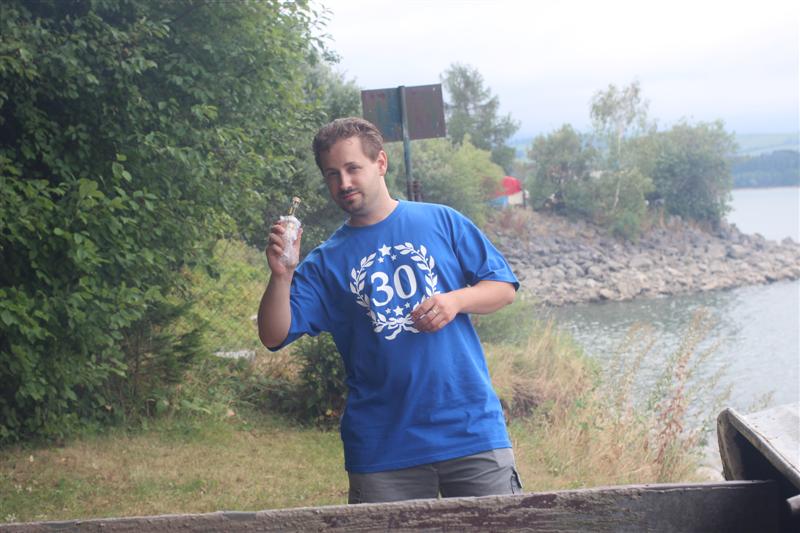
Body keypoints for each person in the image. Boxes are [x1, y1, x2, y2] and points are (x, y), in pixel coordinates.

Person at [258, 117, 522, 503]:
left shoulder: (442, 220)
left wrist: (456, 300)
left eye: (353, 168)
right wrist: (281, 276)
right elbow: (273, 334)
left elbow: (503, 288)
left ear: (380, 163)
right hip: (382, 448)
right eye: (332, 174)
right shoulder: (325, 262)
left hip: (472, 431)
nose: (344, 183)